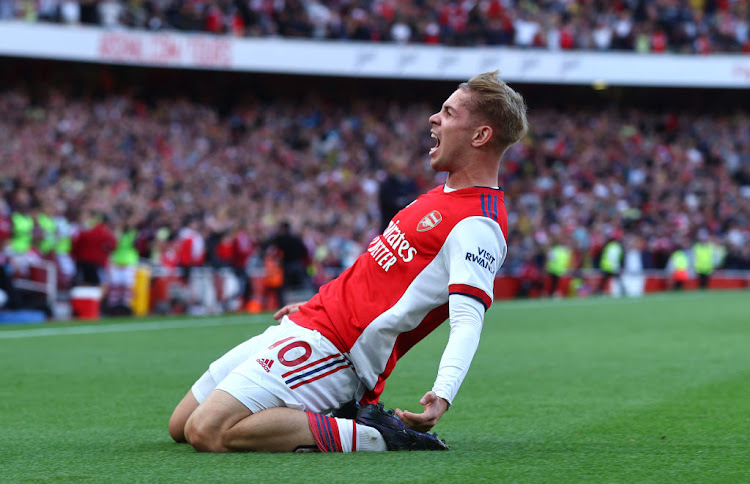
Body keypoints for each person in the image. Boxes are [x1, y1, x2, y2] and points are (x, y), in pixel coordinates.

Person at [168, 71, 528, 454]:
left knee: (206, 432)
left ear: (480, 136)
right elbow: (376, 270)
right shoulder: (439, 196)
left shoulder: (479, 223)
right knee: (180, 425)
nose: (433, 119)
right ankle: (343, 414)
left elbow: (468, 320)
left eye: (449, 113)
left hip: (337, 350)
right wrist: (313, 305)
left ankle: (375, 435)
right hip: (311, 321)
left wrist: (443, 392)